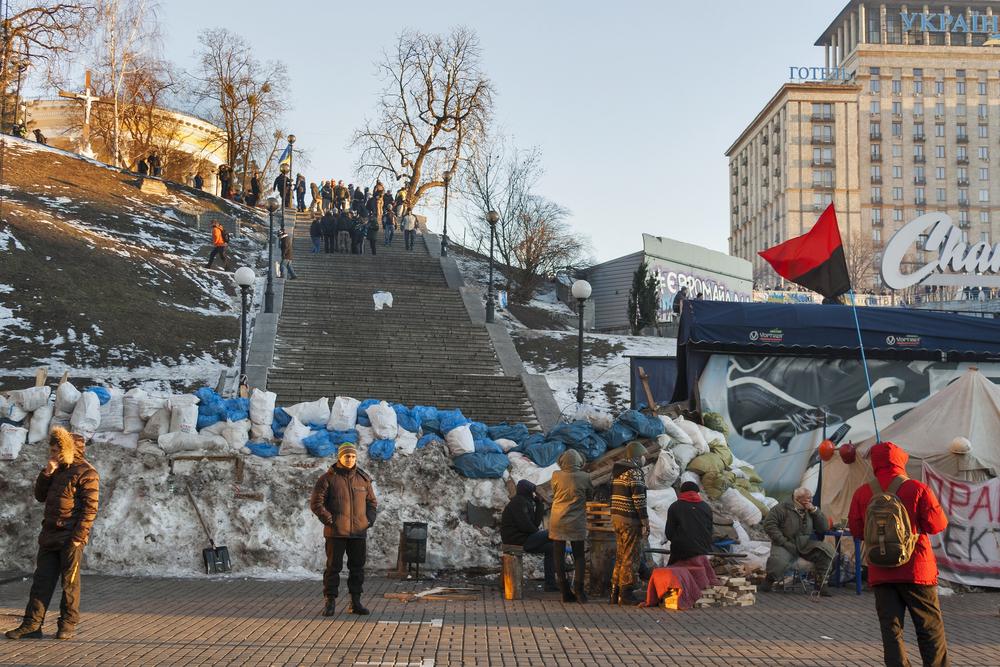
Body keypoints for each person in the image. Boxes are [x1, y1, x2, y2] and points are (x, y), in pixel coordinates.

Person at [848, 442, 949, 667]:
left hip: (881, 571)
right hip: (917, 570)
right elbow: (937, 525)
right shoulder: (917, 488)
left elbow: (856, 531)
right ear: (901, 460)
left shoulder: (863, 492)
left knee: (891, 632)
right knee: (929, 629)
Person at [5, 428, 99, 641]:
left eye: (56, 450)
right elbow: (40, 496)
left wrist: (77, 538)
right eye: (52, 449)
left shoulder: (87, 473)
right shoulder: (56, 469)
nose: (52, 454)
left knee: (69, 584)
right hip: (49, 536)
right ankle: (32, 625)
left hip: (70, 538)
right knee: (42, 581)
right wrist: (46, 473)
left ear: (68, 450)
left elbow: (90, 510)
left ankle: (67, 625)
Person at [309, 442, 377, 616]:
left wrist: (368, 520)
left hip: (358, 533)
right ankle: (330, 602)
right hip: (336, 532)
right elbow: (316, 503)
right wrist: (330, 519)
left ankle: (355, 602)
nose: (350, 459)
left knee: (357, 568)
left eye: (353, 456)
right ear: (340, 457)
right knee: (333, 567)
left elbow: (372, 502)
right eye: (347, 456)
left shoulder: (363, 479)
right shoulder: (327, 478)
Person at [761, 487, 834, 596]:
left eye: (810, 499)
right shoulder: (782, 508)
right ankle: (769, 580)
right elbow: (769, 524)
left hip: (804, 544)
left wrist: (815, 511)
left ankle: (822, 584)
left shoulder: (810, 509)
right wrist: (783, 541)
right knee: (778, 561)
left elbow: (823, 528)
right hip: (785, 542)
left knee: (826, 552)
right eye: (806, 499)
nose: (809, 501)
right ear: (798, 499)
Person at [549, 449, 593, 603]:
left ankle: (564, 591)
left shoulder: (556, 475)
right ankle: (580, 591)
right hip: (577, 521)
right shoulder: (585, 477)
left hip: (557, 520)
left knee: (558, 556)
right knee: (579, 555)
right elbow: (590, 496)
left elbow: (554, 493)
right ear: (579, 462)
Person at [499, 480, 557, 592]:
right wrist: (538, 534)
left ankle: (550, 585)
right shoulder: (518, 502)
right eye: (532, 492)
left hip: (525, 538)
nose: (533, 494)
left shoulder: (526, 502)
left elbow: (534, 524)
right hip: (516, 540)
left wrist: (539, 503)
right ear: (527, 491)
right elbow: (525, 526)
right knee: (552, 533)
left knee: (551, 547)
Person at [609, 441, 649, 605]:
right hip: (630, 519)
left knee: (620, 556)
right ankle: (626, 593)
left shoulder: (617, 472)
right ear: (637, 456)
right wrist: (645, 520)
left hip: (618, 518)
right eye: (642, 456)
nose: (643, 459)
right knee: (631, 557)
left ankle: (614, 592)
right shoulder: (635, 472)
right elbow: (638, 498)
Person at [664, 481, 713, 565]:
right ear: (697, 493)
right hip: (703, 550)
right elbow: (710, 531)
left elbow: (669, 533)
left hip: (681, 550)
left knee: (672, 570)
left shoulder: (675, 506)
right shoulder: (706, 507)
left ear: (681, 492)